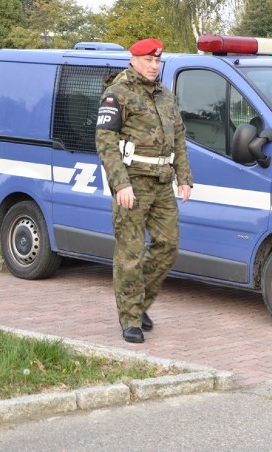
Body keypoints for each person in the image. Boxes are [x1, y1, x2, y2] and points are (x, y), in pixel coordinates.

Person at [95, 38, 193, 343]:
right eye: (148, 60)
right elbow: (105, 142)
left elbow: (178, 137)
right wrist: (120, 184)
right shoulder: (118, 93)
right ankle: (130, 319)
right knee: (130, 252)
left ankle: (139, 303)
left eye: (157, 61)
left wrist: (184, 178)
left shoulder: (165, 95)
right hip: (132, 181)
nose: (154, 65)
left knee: (168, 246)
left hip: (162, 181)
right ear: (134, 60)